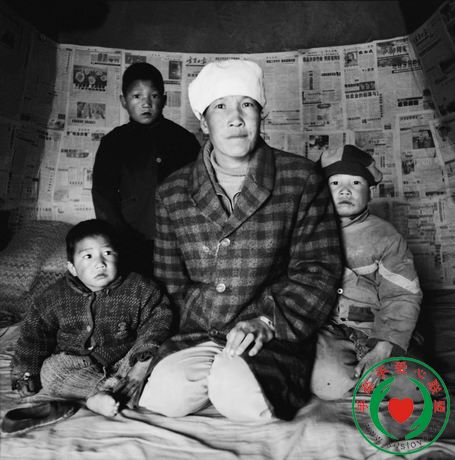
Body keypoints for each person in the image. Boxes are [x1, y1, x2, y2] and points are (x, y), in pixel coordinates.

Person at [138, 59, 342, 421]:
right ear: (204, 122)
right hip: (199, 330)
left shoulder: (301, 178)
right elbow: (170, 282)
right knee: (163, 399)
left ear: (262, 115)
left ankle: (240, 375)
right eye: (221, 107)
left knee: (237, 395)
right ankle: (215, 369)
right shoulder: (172, 191)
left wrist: (267, 321)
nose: (235, 118)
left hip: (270, 329)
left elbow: (318, 270)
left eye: (246, 104)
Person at [9, 219, 173, 423]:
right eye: (88, 256)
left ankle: (107, 394)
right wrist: (26, 373)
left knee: (155, 360)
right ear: (72, 268)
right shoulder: (53, 297)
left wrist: (141, 360)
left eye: (108, 253)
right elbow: (33, 337)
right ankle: (106, 393)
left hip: (123, 361)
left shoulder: (140, 288)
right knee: (51, 371)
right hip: (76, 363)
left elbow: (157, 322)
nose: (100, 263)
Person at [310, 145, 422, 400]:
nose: (344, 190)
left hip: (375, 328)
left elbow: (402, 295)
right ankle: (352, 375)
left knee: (414, 387)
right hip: (328, 330)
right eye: (335, 183)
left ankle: (377, 368)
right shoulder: (309, 231)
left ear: (370, 192)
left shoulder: (387, 237)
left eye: (355, 182)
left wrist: (384, 345)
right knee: (328, 381)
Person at [91, 62, 200, 276]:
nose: (146, 103)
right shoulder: (113, 142)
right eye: (137, 96)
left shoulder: (184, 140)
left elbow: (199, 188)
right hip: (131, 239)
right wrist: (120, 237)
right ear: (123, 101)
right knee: (137, 287)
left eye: (154, 96)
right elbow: (104, 196)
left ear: (164, 100)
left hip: (179, 239)